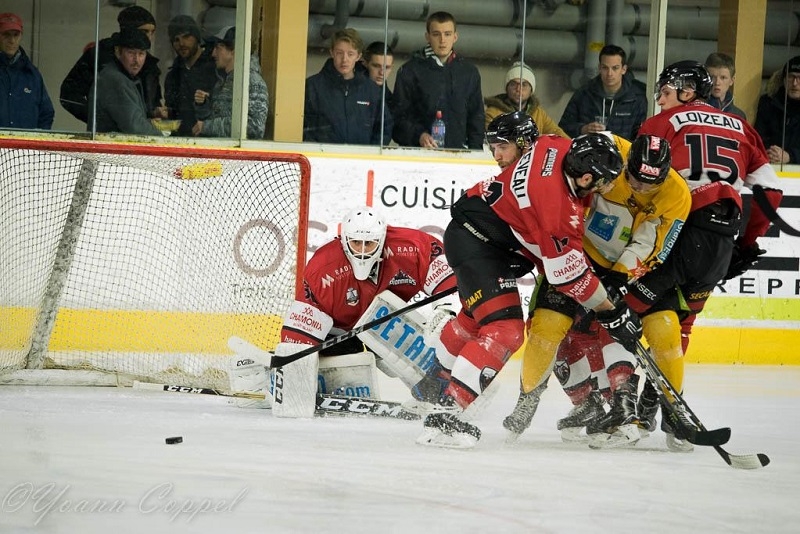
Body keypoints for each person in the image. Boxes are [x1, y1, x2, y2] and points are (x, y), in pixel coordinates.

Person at [413, 112, 643, 449]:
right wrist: (613, 312)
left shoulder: (557, 146)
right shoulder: (555, 209)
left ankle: (435, 384)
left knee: (478, 318)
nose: (602, 191)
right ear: (582, 179)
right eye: (599, 184)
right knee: (503, 330)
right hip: (478, 244)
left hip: (489, 238)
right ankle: (444, 418)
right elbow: (568, 277)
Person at [631, 60, 783, 451]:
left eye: (665, 93)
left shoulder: (661, 124)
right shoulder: (742, 127)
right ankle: (658, 410)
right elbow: (770, 193)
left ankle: (633, 411)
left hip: (677, 231)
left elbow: (637, 184)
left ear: (685, 92)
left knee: (633, 312)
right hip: (722, 237)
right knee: (682, 324)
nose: (661, 101)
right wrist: (747, 243)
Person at [229, 207, 458, 410]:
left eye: (369, 243)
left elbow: (450, 280)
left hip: (384, 323)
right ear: (343, 239)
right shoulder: (323, 267)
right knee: (339, 368)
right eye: (356, 242)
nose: (362, 250)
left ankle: (442, 396)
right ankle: (258, 377)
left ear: (382, 239)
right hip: (339, 332)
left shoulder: (411, 248)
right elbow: (301, 329)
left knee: (417, 345)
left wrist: (445, 309)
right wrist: (291, 370)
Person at [548, 134, 691, 448]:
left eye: (648, 185)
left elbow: (651, 246)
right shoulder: (609, 148)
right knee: (560, 332)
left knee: (615, 326)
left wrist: (620, 276)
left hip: (622, 265)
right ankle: (593, 406)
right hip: (579, 251)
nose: (639, 190)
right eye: (634, 180)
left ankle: (621, 408)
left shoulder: (677, 195)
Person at [392, 11, 484, 149]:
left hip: (461, 156)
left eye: (447, 34)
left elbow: (476, 118)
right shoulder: (410, 71)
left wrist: (476, 153)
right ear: (427, 37)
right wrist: (419, 135)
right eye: (436, 34)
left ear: (455, 37)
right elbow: (398, 117)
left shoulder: (469, 72)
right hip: (420, 155)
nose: (442, 40)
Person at [60, 5, 163, 125]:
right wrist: (100, 120)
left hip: (140, 134)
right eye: (144, 31)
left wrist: (154, 113)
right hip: (108, 136)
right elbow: (69, 95)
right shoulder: (100, 55)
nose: (149, 37)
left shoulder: (151, 65)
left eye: (152, 32)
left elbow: (147, 104)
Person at [303, 29, 392, 145]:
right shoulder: (313, 86)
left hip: (361, 159)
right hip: (322, 158)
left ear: (358, 56)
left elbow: (384, 127)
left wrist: (370, 155)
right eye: (339, 53)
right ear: (332, 53)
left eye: (350, 54)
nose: (344, 59)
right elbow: (303, 127)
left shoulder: (371, 90)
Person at [558, 44, 647, 141]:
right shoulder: (584, 94)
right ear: (599, 68)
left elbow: (642, 135)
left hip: (624, 154)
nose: (609, 73)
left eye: (615, 68)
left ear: (624, 69)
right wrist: (582, 129)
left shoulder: (637, 97)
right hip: (590, 152)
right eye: (605, 68)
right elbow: (562, 129)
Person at [192, 27, 268, 139]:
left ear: (234, 51)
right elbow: (216, 119)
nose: (213, 53)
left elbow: (254, 128)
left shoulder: (252, 82)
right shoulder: (223, 82)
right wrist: (203, 105)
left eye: (218, 48)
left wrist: (207, 126)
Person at [88, 28, 160, 135]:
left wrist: (149, 123)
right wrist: (166, 141)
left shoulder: (119, 76)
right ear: (118, 51)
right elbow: (135, 127)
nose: (137, 61)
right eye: (131, 53)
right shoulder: (115, 80)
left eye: (141, 54)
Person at [163, 15, 218, 137]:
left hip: (211, 142)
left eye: (186, 37)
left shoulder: (215, 68)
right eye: (176, 40)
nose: (181, 43)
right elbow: (173, 116)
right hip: (180, 142)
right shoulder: (173, 76)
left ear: (197, 38)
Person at [484, 61, 568, 138]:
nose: (518, 89)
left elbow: (557, 134)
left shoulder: (539, 114)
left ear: (531, 90)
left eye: (524, 85)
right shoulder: (493, 113)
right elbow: (492, 140)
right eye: (513, 84)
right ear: (507, 88)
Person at [0, 12, 54, 130]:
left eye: (16, 35)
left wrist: (37, 143)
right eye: (6, 35)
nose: (12, 40)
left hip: (25, 147)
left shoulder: (32, 75)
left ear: (21, 36)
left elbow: (46, 113)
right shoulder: (31, 73)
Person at [755, 56, 800, 165]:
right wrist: (770, 153)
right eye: (791, 77)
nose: (794, 83)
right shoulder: (768, 103)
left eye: (799, 78)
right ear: (783, 80)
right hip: (769, 165)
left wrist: (790, 156)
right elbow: (758, 137)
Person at [704, 52, 746, 120]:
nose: (717, 83)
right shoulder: (695, 110)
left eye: (723, 78)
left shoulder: (739, 116)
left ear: (732, 80)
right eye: (712, 77)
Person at [360, 41, 395, 114]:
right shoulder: (353, 91)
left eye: (387, 67)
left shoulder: (389, 98)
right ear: (365, 63)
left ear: (392, 67)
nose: (382, 72)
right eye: (376, 66)